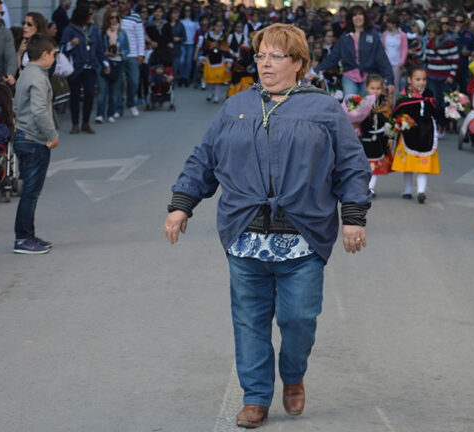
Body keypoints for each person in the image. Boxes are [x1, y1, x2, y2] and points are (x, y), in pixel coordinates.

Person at [163, 23, 370, 429]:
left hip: (302, 238)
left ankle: (292, 376)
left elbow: (352, 166)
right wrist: (181, 205)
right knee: (249, 320)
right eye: (260, 56)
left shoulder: (324, 109)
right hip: (244, 236)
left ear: (299, 63)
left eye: (276, 56)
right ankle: (256, 397)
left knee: (299, 319)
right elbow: (204, 159)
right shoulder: (236, 106)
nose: (265, 64)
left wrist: (354, 218)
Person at [12, 34, 59, 254]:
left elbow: (16, 104)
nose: (54, 58)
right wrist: (52, 135)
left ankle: (28, 235)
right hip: (34, 140)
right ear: (44, 54)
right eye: (53, 54)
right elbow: (39, 110)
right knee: (31, 192)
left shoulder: (25, 73)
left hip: (22, 135)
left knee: (30, 191)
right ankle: (22, 238)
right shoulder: (39, 77)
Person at [315, 5, 394, 97]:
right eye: (354, 15)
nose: (358, 17)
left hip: (369, 78)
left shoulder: (373, 36)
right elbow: (333, 57)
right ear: (350, 18)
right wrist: (316, 70)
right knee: (351, 108)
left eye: (360, 14)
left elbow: (382, 59)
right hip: (349, 77)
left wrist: (390, 81)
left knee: (367, 108)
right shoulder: (344, 37)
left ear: (364, 17)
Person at [391, 65, 440, 204]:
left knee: (423, 164)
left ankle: (421, 191)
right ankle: (407, 190)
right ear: (409, 80)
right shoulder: (404, 94)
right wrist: (400, 123)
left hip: (427, 132)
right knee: (409, 164)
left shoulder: (429, 93)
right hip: (409, 133)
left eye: (424, 79)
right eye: (417, 79)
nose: (421, 82)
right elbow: (398, 112)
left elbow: (434, 111)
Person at [60, 3, 108, 134]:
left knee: (89, 94)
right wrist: (71, 44)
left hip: (90, 67)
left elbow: (99, 49)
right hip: (75, 68)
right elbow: (62, 49)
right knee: (75, 96)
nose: (92, 17)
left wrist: (105, 64)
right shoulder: (70, 30)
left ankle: (85, 122)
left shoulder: (94, 30)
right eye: (90, 14)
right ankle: (75, 123)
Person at [423, 19, 458, 136]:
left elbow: (455, 59)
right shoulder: (429, 42)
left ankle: (443, 124)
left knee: (444, 103)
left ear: (435, 30)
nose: (428, 33)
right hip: (432, 75)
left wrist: (451, 75)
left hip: (445, 76)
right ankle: (437, 123)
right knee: (435, 102)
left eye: (430, 31)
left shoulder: (449, 42)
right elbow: (426, 58)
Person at [95, 8, 127, 124]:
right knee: (103, 90)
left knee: (115, 91)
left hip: (118, 63)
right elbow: (98, 49)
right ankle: (100, 114)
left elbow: (127, 49)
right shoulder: (101, 33)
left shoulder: (122, 33)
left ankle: (111, 113)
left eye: (116, 18)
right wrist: (106, 54)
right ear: (107, 19)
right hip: (105, 62)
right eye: (111, 17)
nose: (114, 20)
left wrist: (120, 53)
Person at [118, 0, 144, 117]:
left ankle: (131, 103)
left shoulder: (136, 17)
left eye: (123, 3)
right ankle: (118, 108)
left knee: (134, 81)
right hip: (117, 55)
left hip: (132, 54)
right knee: (118, 83)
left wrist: (141, 54)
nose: (120, 5)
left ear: (129, 4)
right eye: (119, 2)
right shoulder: (114, 16)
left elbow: (140, 37)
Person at [197, 19, 230, 104]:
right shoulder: (208, 36)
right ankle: (210, 93)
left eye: (220, 26)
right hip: (210, 60)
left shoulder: (224, 38)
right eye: (217, 26)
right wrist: (202, 58)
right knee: (210, 79)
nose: (219, 28)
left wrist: (229, 61)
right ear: (214, 27)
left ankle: (216, 97)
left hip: (220, 61)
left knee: (218, 80)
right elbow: (205, 48)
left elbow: (226, 49)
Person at [381, 14, 408, 94]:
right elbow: (382, 48)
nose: (387, 24)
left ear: (394, 24)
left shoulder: (402, 35)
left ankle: (394, 104)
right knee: (384, 84)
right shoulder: (385, 34)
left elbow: (404, 49)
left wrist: (402, 61)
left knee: (395, 85)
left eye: (389, 23)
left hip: (396, 63)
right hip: (386, 63)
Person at [177, 4, 199, 87]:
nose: (187, 12)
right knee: (181, 61)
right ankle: (181, 77)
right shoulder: (180, 21)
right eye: (185, 10)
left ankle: (186, 78)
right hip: (182, 43)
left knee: (189, 62)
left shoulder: (194, 22)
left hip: (191, 44)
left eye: (189, 10)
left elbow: (197, 33)